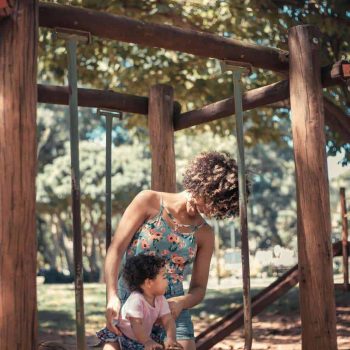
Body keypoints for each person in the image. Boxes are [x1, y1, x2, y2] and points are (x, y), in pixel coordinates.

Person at [100, 151, 245, 350]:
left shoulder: (205, 233)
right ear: (202, 183)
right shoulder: (148, 201)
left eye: (219, 207)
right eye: (212, 200)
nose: (211, 210)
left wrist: (181, 302)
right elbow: (115, 250)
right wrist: (112, 297)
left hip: (171, 306)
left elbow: (199, 288)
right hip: (130, 297)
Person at [97, 254, 183, 349]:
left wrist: (171, 338)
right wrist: (147, 341)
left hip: (142, 336)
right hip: (125, 336)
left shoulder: (160, 299)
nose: (167, 281)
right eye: (164, 277)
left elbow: (168, 320)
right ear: (149, 283)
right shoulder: (136, 300)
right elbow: (136, 325)